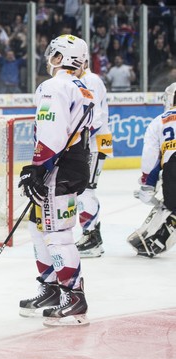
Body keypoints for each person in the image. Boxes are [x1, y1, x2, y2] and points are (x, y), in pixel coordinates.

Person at [17, 34, 94, 326]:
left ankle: (73, 296)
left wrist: (38, 166)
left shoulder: (54, 85)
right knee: (39, 228)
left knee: (56, 233)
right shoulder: (82, 88)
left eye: (53, 53)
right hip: (72, 163)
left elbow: (51, 130)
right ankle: (51, 288)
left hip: (58, 167)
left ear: (60, 57)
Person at [128, 82, 176, 258]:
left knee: (171, 205)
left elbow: (150, 157)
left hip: (173, 167)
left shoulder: (160, 121)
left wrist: (147, 184)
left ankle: (158, 237)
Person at [75, 60, 114, 258]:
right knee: (84, 190)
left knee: (85, 190)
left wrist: (77, 141)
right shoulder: (84, 80)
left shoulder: (89, 80)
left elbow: (94, 117)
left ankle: (91, 238)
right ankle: (91, 236)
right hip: (94, 144)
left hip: (94, 144)